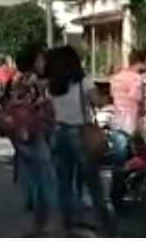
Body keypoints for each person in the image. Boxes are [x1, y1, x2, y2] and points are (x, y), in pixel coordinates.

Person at [46, 46, 114, 235]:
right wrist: (105, 97)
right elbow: (98, 102)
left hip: (58, 133)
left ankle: (68, 222)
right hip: (79, 133)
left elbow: (50, 111)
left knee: (64, 181)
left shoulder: (52, 86)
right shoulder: (83, 82)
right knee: (92, 180)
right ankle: (105, 221)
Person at [0, 43, 58, 236]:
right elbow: (29, 106)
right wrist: (44, 102)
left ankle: (40, 225)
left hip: (23, 134)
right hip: (33, 132)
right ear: (34, 60)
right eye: (42, 58)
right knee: (45, 179)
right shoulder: (29, 82)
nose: (45, 63)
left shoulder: (18, 79)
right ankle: (44, 224)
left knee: (37, 179)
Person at [108, 47, 146, 160]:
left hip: (117, 122)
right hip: (130, 124)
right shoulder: (137, 79)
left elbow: (113, 97)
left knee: (118, 159)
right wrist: (139, 128)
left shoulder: (116, 78)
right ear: (140, 62)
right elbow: (137, 103)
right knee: (134, 160)